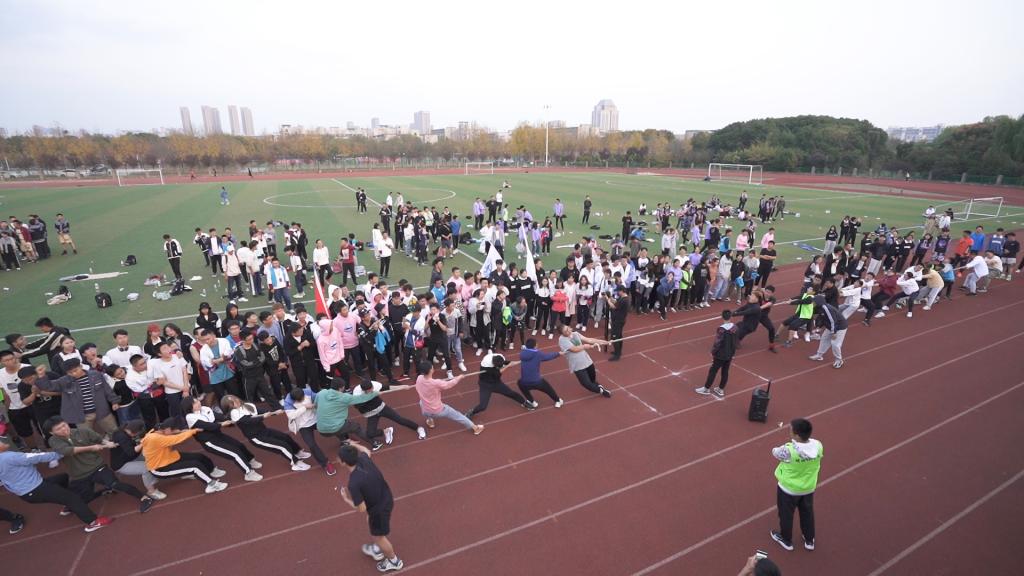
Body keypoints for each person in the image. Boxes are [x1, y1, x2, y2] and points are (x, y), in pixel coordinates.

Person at [43, 416, 154, 513]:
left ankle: (144, 498)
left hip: (97, 467)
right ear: (52, 433)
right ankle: (103, 491)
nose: (64, 429)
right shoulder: (53, 441)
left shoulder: (83, 431)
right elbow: (67, 451)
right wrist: (91, 447)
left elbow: (99, 439)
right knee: (82, 499)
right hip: (78, 475)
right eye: (58, 429)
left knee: (115, 484)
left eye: (64, 425)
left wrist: (107, 443)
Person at [0, 442, 113, 532]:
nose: (2, 440)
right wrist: (66, 451)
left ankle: (68, 506)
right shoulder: (9, 457)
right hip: (35, 488)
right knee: (72, 498)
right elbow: (38, 457)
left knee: (62, 478)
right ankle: (93, 522)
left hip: (27, 492)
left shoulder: (6, 458)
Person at [338, 442, 403, 572]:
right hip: (385, 497)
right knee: (371, 521)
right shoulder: (364, 459)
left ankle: (394, 561)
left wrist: (346, 500)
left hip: (378, 510)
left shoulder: (354, 483)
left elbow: (361, 509)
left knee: (379, 537)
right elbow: (366, 450)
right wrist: (353, 444)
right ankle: (378, 548)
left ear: (343, 462)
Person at [770, 418, 823, 552]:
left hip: (789, 489)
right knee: (807, 513)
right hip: (808, 488)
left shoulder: (789, 450)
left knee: (786, 515)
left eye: (791, 430)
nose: (789, 432)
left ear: (797, 435)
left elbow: (775, 452)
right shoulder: (818, 445)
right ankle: (809, 539)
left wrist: (787, 446)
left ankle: (786, 540)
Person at [183, 397, 263, 482]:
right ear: (189, 406)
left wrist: (231, 419)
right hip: (210, 442)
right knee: (235, 453)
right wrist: (222, 424)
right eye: (195, 403)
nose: (198, 402)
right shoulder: (190, 417)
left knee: (239, 445)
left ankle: (250, 460)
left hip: (218, 435)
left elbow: (219, 416)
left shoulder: (205, 409)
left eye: (197, 401)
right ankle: (249, 473)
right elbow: (208, 426)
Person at [222, 395, 310, 471]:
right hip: (256, 438)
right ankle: (295, 463)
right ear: (228, 406)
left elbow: (261, 411)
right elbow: (248, 421)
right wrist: (262, 417)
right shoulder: (234, 413)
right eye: (232, 402)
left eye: (235, 399)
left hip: (264, 430)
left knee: (285, 437)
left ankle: (297, 452)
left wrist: (274, 412)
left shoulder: (247, 406)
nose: (236, 401)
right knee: (282, 446)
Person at [141, 418, 228, 494]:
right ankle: (211, 485)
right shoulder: (155, 438)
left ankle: (211, 470)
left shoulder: (158, 429)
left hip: (169, 457)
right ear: (168, 429)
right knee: (195, 467)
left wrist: (179, 431)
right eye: (172, 430)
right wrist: (193, 431)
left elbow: (172, 433)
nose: (174, 432)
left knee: (199, 457)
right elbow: (177, 438)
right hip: (160, 468)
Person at [36, 358, 120, 434]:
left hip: (102, 410)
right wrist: (41, 376)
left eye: (75, 370)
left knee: (114, 432)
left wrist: (114, 401)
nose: (74, 373)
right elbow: (48, 387)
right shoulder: (64, 381)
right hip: (81, 415)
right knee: (85, 438)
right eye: (70, 373)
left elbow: (107, 389)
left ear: (81, 366)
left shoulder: (96, 375)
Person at [414, 361, 483, 434]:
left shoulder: (419, 378)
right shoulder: (436, 383)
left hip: (425, 409)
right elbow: (449, 384)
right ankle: (475, 428)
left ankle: (430, 421)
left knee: (422, 402)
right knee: (457, 415)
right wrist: (459, 378)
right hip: (438, 410)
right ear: (431, 370)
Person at [351, 378, 427, 445]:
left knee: (400, 420)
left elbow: (388, 387)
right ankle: (386, 431)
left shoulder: (375, 386)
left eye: (372, 388)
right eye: (370, 391)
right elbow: (358, 407)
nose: (372, 390)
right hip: (371, 414)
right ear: (364, 391)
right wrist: (369, 397)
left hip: (381, 408)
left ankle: (418, 428)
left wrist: (402, 387)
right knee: (370, 434)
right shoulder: (357, 395)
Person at [283, 387, 338, 475]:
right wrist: (305, 407)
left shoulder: (307, 392)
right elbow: (291, 415)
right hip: (303, 426)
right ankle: (326, 463)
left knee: (333, 426)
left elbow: (318, 398)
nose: (303, 400)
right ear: (295, 400)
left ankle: (345, 439)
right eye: (300, 400)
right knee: (311, 445)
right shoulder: (288, 402)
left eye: (303, 398)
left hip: (315, 419)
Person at [466, 352, 533, 419]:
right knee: (482, 406)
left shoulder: (498, 358)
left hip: (496, 383)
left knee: (511, 393)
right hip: (485, 385)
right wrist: (508, 366)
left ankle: (524, 402)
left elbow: (509, 363)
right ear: (493, 364)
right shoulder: (486, 366)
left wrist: (521, 362)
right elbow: (498, 372)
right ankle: (472, 412)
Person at [557, 324, 612, 398]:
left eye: (568, 328)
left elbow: (589, 340)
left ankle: (598, 386)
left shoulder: (575, 334)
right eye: (565, 331)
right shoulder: (562, 340)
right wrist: (584, 346)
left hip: (587, 361)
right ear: (562, 334)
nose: (568, 331)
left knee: (592, 380)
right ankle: (601, 390)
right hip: (577, 365)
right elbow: (574, 349)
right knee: (586, 384)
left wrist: (604, 342)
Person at [695, 310, 738, 399]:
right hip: (729, 353)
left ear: (722, 317)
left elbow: (718, 342)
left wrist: (713, 352)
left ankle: (706, 388)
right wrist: (733, 353)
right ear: (731, 317)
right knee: (725, 371)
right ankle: (720, 389)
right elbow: (735, 342)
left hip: (720, 354)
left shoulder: (721, 329)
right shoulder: (735, 327)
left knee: (713, 371)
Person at [517, 338, 564, 408]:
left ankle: (532, 401)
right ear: (535, 345)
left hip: (524, 382)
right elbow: (547, 356)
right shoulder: (537, 353)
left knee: (519, 383)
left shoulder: (522, 353)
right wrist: (558, 353)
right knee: (549, 389)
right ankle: (558, 400)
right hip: (537, 381)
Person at [808, 296, 847, 369]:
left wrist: (834, 332)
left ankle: (839, 360)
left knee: (835, 344)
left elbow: (833, 321)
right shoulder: (819, 308)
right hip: (832, 327)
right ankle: (819, 355)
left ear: (818, 302)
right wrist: (819, 327)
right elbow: (823, 318)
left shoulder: (827, 308)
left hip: (840, 327)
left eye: (813, 302)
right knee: (824, 339)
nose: (812, 303)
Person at [606, 285, 630, 361]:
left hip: (618, 321)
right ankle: (618, 351)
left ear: (621, 291)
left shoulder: (624, 300)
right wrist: (611, 298)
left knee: (615, 337)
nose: (617, 292)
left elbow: (614, 306)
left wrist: (608, 300)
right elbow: (616, 302)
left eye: (618, 291)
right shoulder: (623, 298)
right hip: (619, 320)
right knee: (619, 336)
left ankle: (617, 355)